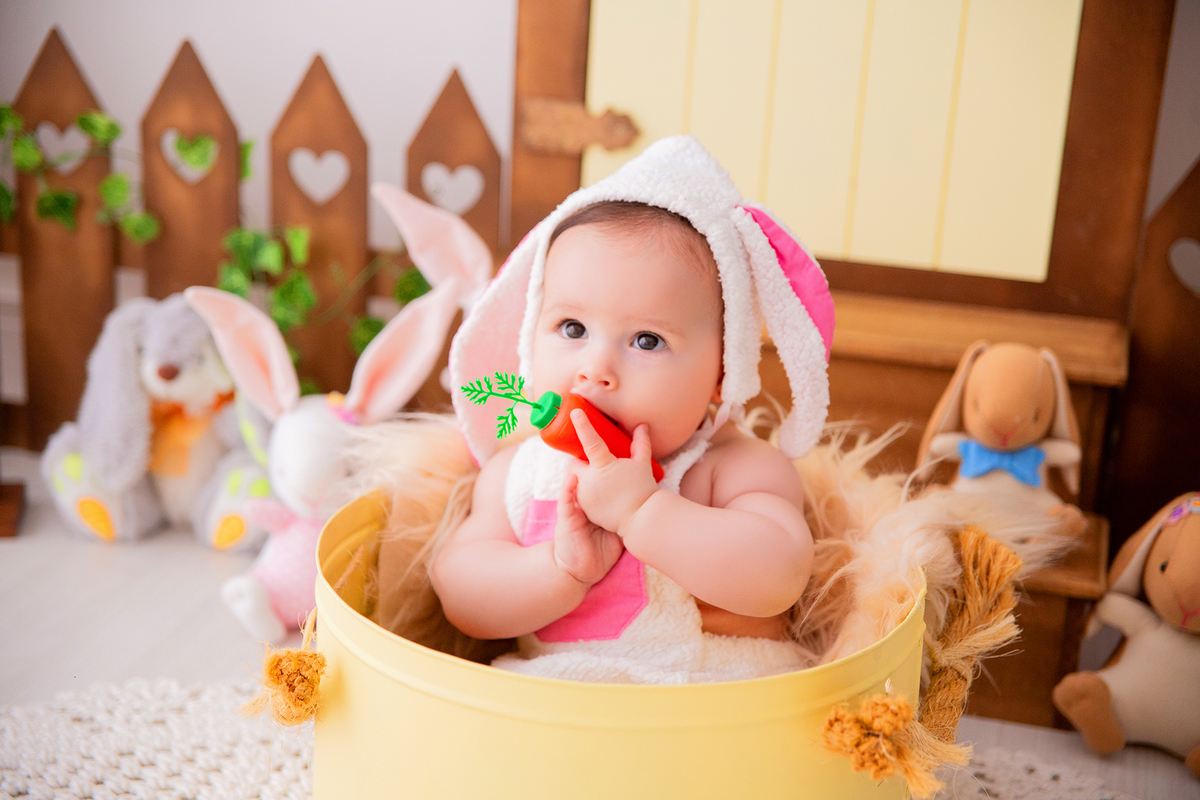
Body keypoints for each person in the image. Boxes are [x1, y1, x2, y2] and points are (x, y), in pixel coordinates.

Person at [432, 135, 836, 683]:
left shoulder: (732, 469)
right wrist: (556, 570)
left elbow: (780, 575)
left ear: (722, 374)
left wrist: (644, 514)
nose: (595, 368)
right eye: (572, 328)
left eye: (646, 341)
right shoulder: (520, 473)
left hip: (709, 704)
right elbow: (460, 592)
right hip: (558, 702)